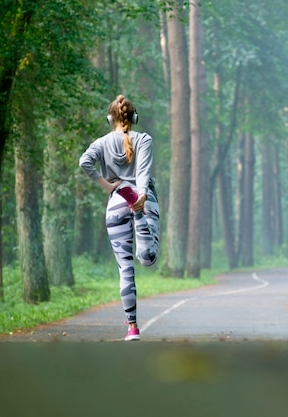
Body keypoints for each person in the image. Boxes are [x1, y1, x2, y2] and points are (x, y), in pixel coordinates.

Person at [79, 95, 160, 341]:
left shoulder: (101, 143)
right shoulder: (143, 139)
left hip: (116, 202)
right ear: (134, 118)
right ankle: (139, 216)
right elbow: (143, 172)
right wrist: (142, 196)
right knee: (148, 258)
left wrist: (110, 187)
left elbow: (84, 163)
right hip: (142, 199)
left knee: (125, 268)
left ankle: (132, 328)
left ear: (109, 119)